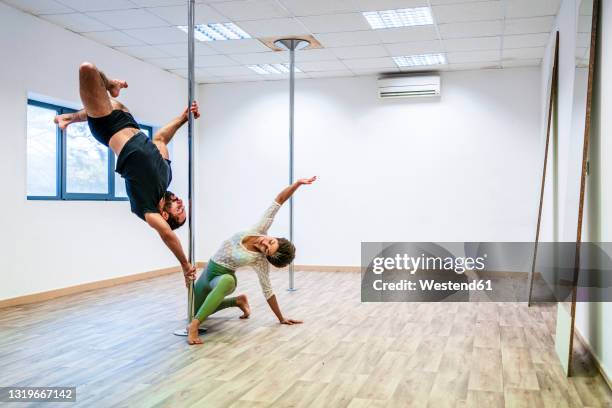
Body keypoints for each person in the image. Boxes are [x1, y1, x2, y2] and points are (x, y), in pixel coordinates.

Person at [54, 62, 198, 284]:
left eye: (179, 209)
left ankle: (106, 87)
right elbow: (160, 139)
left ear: (166, 215)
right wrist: (183, 118)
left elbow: (168, 236)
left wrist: (185, 266)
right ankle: (71, 117)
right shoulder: (166, 176)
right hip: (128, 120)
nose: (180, 201)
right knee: (106, 97)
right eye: (182, 205)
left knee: (87, 70)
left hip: (107, 127)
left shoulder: (147, 208)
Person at [187, 176, 317, 345]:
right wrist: (298, 184)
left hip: (222, 279)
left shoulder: (259, 261)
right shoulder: (260, 229)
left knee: (205, 307)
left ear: (267, 256)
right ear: (274, 237)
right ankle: (237, 301)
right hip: (207, 274)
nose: (264, 244)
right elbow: (279, 200)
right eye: (270, 242)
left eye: (266, 250)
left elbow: (268, 291)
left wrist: (281, 318)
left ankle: (194, 327)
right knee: (193, 311)